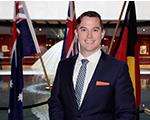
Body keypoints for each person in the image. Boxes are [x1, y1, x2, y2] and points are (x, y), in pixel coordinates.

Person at [48, 11, 136, 120]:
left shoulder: (117, 68)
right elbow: (55, 103)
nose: (89, 36)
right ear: (76, 33)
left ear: (102, 33)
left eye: (95, 30)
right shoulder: (64, 66)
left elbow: (127, 112)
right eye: (84, 30)